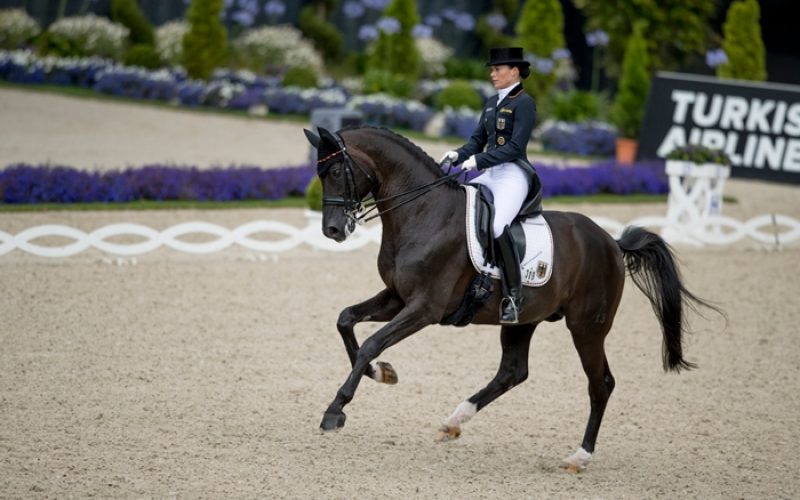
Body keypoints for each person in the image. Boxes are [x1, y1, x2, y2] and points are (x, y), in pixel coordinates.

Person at [440, 47, 539, 324]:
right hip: (490, 172)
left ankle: (513, 296)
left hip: (513, 174)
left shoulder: (524, 103)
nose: (493, 74)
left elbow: (515, 147)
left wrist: (478, 160)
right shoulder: (492, 102)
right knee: (459, 209)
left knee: (497, 226)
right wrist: (458, 154)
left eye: (497, 69)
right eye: (492, 70)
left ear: (514, 71)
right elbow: (476, 140)